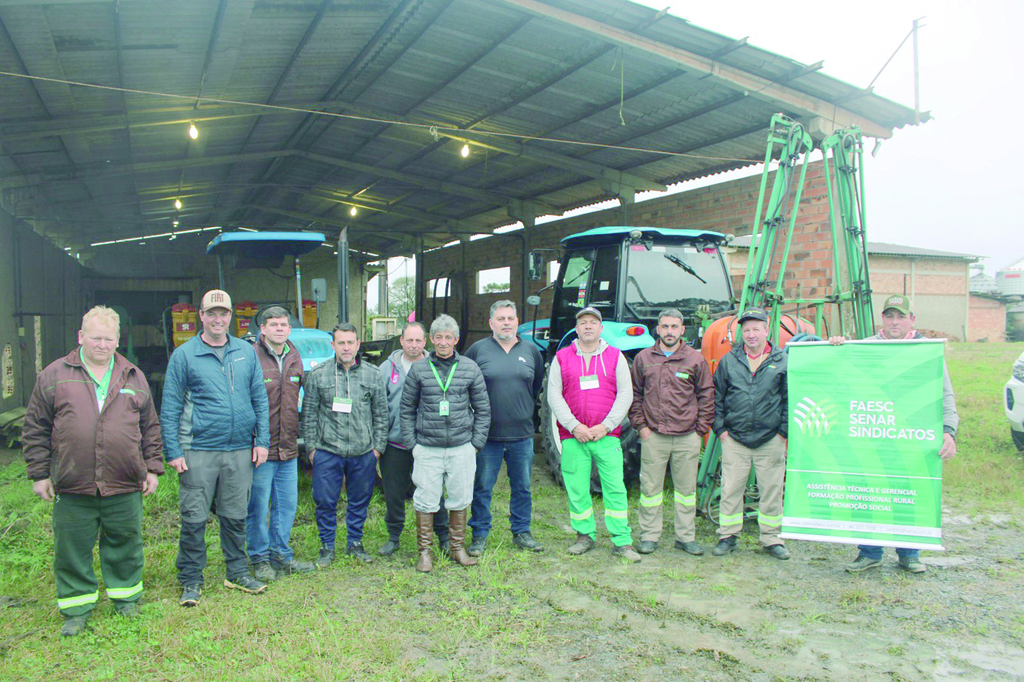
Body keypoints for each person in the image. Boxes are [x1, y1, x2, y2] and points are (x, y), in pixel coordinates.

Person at [22, 306, 164, 636]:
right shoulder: (55, 375)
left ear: (118, 340)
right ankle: (76, 607)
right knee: (71, 547)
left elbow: (150, 427)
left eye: (109, 338)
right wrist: (40, 474)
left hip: (124, 480)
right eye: (95, 337)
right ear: (81, 337)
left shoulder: (134, 376)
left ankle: (125, 597)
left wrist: (152, 468)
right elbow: (36, 427)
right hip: (73, 482)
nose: (102, 344)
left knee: (125, 542)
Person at [829, 294, 959, 574]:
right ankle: (870, 552)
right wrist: (837, 347)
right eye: (890, 316)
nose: (895, 322)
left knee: (907, 492)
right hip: (872, 434)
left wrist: (949, 432)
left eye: (901, 316)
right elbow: (836, 375)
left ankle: (909, 552)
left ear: (912, 319)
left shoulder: (927, 350)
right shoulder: (864, 348)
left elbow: (944, 394)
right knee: (868, 489)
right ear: (882, 319)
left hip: (911, 438)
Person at [162, 289, 271, 606]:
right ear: (201, 316)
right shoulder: (185, 355)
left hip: (239, 450)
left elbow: (259, 400)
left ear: (231, 317)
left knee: (236, 515)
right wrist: (173, 450)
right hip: (198, 449)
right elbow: (169, 407)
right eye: (212, 313)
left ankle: (237, 572)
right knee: (194, 517)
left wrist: (261, 440)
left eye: (224, 313)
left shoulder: (246, 352)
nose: (218, 319)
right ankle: (191, 579)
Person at [547, 307, 641, 563]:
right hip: (573, 437)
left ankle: (622, 541)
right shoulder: (562, 357)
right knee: (577, 488)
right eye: (583, 323)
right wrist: (574, 426)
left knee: (615, 488)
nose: (588, 326)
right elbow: (554, 394)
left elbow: (625, 394)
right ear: (576, 329)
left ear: (601, 329)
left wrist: (607, 426)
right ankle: (584, 535)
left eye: (593, 323)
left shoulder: (615, 357)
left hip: (606, 437)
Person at [400, 314, 490, 573]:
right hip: (427, 446)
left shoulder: (470, 368)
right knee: (426, 500)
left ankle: (457, 548)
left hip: (462, 446)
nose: (442, 342)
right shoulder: (419, 369)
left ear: (456, 340)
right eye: (438, 337)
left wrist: (475, 444)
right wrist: (413, 445)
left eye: (447, 337)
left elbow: (483, 408)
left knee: (460, 497)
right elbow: (407, 409)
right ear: (431, 339)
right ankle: (425, 552)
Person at [629, 308, 714, 556]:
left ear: (682, 330)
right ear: (658, 329)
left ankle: (685, 537)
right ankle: (649, 536)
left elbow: (707, 396)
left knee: (686, 492)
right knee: (650, 490)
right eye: (665, 326)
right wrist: (641, 427)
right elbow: (634, 395)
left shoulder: (695, 360)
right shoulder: (644, 358)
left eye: (674, 327)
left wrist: (700, 430)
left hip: (687, 436)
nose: (669, 331)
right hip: (654, 435)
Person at [464, 300, 546, 556]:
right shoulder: (477, 351)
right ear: (491, 323)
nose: (506, 323)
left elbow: (535, 387)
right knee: (483, 487)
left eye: (510, 318)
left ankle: (521, 531)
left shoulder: (531, 351)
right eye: (501, 319)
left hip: (522, 435)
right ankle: (479, 535)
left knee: (522, 486)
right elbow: (464, 385)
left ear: (517, 322)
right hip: (487, 436)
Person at [302, 322, 388, 565]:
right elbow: (309, 415)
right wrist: (312, 449)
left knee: (360, 498)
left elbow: (381, 413)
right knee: (325, 500)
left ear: (358, 344)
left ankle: (355, 543)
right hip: (328, 450)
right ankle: (327, 546)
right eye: (341, 343)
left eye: (351, 342)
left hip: (363, 451)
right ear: (333, 345)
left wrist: (377, 448)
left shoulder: (373, 374)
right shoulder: (318, 374)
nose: (346, 347)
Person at [711, 308, 791, 560]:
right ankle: (728, 535)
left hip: (771, 439)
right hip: (735, 438)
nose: (751, 334)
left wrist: (782, 433)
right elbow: (716, 397)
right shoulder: (729, 360)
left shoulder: (782, 360)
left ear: (767, 330)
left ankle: (771, 538)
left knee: (771, 490)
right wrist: (721, 430)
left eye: (756, 328)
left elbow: (790, 399)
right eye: (746, 329)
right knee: (731, 488)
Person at [245, 307, 315, 582]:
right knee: (259, 507)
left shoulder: (295, 355)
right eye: (273, 324)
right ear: (262, 329)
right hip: (261, 449)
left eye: (283, 324)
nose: (279, 329)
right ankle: (260, 558)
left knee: (286, 505)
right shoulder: (250, 356)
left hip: (287, 447)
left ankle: (282, 555)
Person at [377, 322, 450, 556]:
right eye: (409, 340)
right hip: (395, 444)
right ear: (401, 341)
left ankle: (444, 536)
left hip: (428, 444)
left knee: (434, 491)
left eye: (419, 341)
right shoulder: (385, 369)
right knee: (394, 493)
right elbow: (378, 407)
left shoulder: (437, 366)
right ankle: (393, 536)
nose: (414, 345)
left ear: (425, 341)